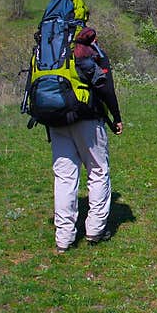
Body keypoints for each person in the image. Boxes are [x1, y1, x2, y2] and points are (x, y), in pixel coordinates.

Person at [53, 24, 123, 254]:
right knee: (98, 171)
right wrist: (116, 116)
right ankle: (95, 230)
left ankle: (63, 238)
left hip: (57, 119)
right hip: (87, 118)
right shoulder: (84, 49)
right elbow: (105, 87)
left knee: (64, 177)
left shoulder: (52, 50)